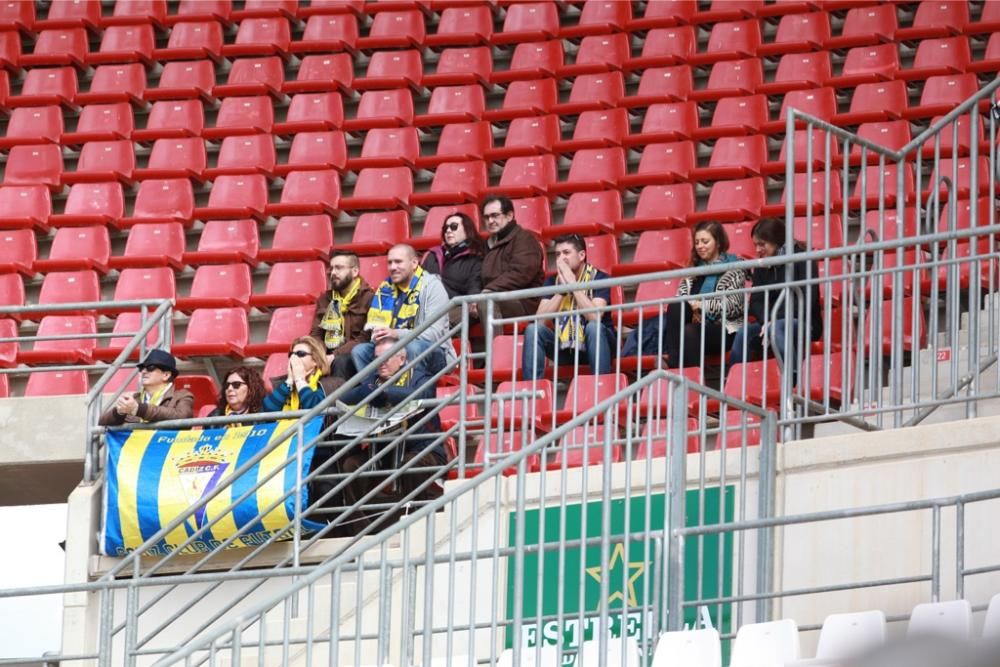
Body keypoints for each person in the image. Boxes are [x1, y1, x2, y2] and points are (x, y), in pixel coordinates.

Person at [337, 336, 445, 530]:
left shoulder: (420, 375)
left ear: (402, 360)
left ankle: (418, 524)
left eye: (386, 358)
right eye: (377, 358)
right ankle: (362, 530)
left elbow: (422, 394)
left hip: (422, 449)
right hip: (383, 453)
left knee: (410, 464)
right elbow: (343, 396)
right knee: (350, 466)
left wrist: (385, 393)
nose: (381, 363)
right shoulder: (373, 380)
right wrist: (367, 392)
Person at [622, 221, 747, 369]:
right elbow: (680, 300)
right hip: (694, 327)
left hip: (723, 329)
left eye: (705, 241)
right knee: (677, 306)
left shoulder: (734, 268)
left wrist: (702, 305)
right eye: (697, 242)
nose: (700, 246)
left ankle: (684, 374)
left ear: (718, 242)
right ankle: (677, 364)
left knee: (690, 331)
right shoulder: (693, 271)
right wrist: (693, 309)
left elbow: (734, 306)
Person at [351, 243, 455, 377]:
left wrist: (396, 334)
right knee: (360, 351)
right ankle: (376, 392)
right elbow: (375, 330)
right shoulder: (385, 289)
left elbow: (433, 335)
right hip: (392, 349)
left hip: (433, 351)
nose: (393, 267)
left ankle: (406, 392)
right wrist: (379, 335)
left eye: (398, 262)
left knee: (413, 348)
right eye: (390, 263)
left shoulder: (432, 287)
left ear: (414, 263)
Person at [729, 218, 822, 367]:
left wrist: (774, 319)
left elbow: (806, 299)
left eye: (762, 244)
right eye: (755, 245)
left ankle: (792, 379)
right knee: (744, 333)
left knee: (777, 327)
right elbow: (756, 301)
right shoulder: (762, 263)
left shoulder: (803, 257)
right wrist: (767, 320)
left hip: (804, 322)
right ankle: (734, 382)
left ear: (776, 240)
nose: (758, 250)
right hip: (771, 322)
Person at [522, 234, 616, 380]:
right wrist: (561, 291)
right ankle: (532, 393)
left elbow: (595, 317)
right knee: (532, 330)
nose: (561, 258)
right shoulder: (552, 281)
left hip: (599, 345)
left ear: (581, 255)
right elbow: (539, 321)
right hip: (566, 348)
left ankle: (601, 387)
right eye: (557, 254)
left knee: (593, 327)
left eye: (566, 253)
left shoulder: (599, 278)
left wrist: (574, 286)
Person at [311, 251, 375, 381]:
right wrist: (320, 355)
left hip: (353, 356)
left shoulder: (370, 298)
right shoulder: (325, 299)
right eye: (332, 268)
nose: (333, 272)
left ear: (355, 271)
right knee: (299, 357)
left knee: (340, 362)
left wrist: (334, 355)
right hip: (327, 354)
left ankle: (336, 401)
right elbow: (316, 334)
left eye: (339, 268)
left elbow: (364, 338)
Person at [479, 194, 546, 319]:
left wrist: (489, 290)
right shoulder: (486, 244)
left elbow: (521, 273)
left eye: (495, 215)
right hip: (491, 296)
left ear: (509, 216)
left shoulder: (525, 239)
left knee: (487, 303)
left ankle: (495, 340)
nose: (490, 221)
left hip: (523, 302)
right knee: (452, 313)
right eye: (487, 217)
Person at [99, 349, 194, 425]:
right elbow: (102, 422)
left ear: (166, 375)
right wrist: (119, 412)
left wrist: (139, 409)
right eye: (141, 368)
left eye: (150, 368)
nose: (143, 371)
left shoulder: (182, 395)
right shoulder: (135, 398)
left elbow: (183, 417)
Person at [421, 211, 484, 325]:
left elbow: (475, 286)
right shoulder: (432, 255)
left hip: (456, 308)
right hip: (428, 307)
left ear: (467, 230)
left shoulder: (475, 258)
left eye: (454, 227)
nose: (448, 230)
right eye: (446, 228)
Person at [262, 337, 340, 412]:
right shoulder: (284, 385)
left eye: (300, 354)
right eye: (291, 354)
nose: (293, 358)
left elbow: (314, 409)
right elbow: (266, 410)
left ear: (316, 360)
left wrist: (300, 380)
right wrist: (289, 381)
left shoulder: (331, 384)